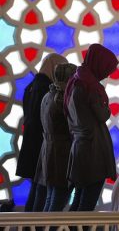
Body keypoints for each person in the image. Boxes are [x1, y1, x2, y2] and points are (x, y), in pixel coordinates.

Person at [64, 43, 119, 211]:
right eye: (106, 69)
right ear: (98, 63)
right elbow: (103, 114)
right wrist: (107, 107)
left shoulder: (76, 81)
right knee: (86, 206)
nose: (106, 74)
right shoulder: (90, 86)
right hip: (93, 151)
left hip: (81, 147)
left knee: (79, 202)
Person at [16, 53, 68, 212]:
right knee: (41, 190)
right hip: (41, 144)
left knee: (37, 188)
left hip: (31, 142)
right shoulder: (46, 89)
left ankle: (28, 224)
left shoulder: (32, 86)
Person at [34, 63, 77, 212]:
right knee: (57, 202)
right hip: (61, 154)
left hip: (48, 150)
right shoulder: (61, 99)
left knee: (50, 198)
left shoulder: (48, 95)